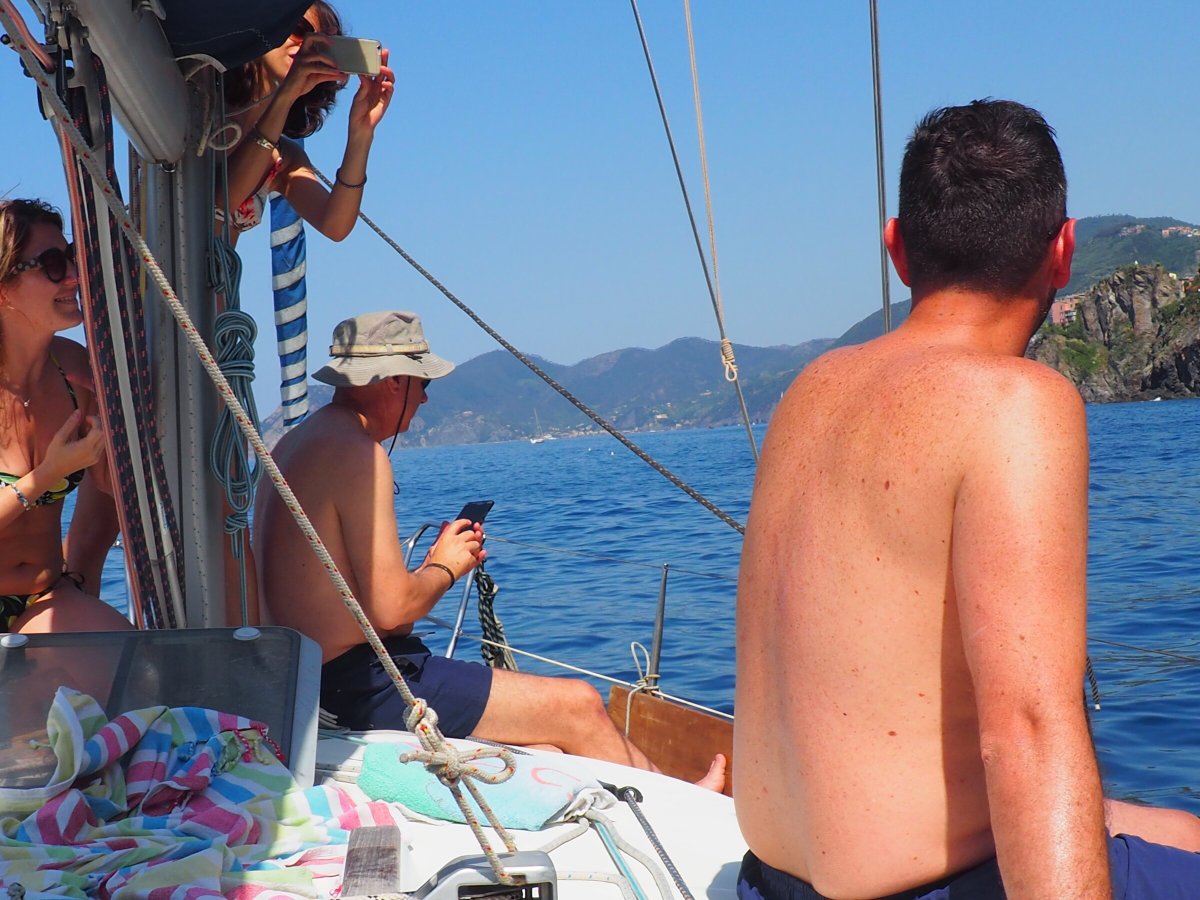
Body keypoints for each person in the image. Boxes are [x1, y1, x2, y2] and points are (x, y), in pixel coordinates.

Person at [734, 99, 1200, 900]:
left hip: (772, 880)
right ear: (1063, 251)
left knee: (1183, 831)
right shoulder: (1017, 403)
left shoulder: (811, 390)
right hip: (930, 889)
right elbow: (1027, 730)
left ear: (896, 249)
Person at [254, 311, 724, 788]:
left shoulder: (293, 445)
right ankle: (689, 803)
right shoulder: (358, 453)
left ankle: (650, 793)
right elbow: (393, 610)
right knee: (578, 704)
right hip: (359, 686)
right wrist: (446, 566)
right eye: (422, 382)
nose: (425, 397)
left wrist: (427, 569)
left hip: (304, 682)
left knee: (548, 748)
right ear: (394, 381)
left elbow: (366, 609)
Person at [0, 198, 131, 634]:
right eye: (53, 264)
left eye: (71, 257)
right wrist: (48, 474)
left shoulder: (74, 368)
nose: (74, 275)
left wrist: (114, 427)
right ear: (4, 288)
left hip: (45, 598)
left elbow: (111, 488)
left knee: (134, 659)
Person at [216, 1, 394, 243]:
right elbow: (220, 200)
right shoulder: (201, 103)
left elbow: (335, 225)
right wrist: (286, 95)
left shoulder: (284, 157)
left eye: (321, 45)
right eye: (299, 29)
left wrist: (361, 132)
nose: (306, 46)